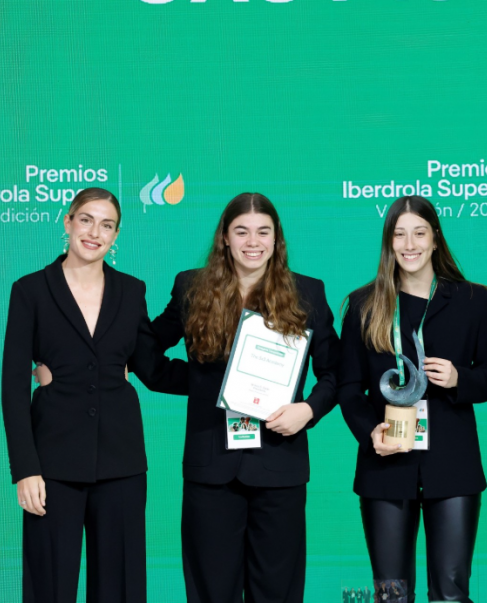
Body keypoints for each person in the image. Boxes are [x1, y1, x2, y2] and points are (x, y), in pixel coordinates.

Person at [150, 192, 340, 603]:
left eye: (263, 232)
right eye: (242, 231)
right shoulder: (192, 287)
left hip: (280, 463)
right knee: (210, 591)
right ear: (224, 238)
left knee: (277, 591)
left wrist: (307, 410)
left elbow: (336, 372)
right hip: (211, 465)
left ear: (277, 240)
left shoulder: (307, 292)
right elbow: (147, 352)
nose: (253, 242)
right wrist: (206, 387)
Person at [1, 187, 188, 602]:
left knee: (120, 587)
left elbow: (153, 370)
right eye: (86, 219)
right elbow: (13, 384)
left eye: (107, 225)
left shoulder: (131, 290)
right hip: (51, 463)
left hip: (121, 462)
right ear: (67, 222)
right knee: (49, 584)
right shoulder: (30, 290)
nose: (94, 232)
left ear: (116, 235)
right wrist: (25, 469)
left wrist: (222, 382)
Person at [339, 196, 487, 603]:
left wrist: (457, 378)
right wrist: (369, 433)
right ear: (388, 243)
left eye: (419, 233)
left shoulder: (471, 300)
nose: (409, 244)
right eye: (399, 234)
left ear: (435, 240)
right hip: (386, 466)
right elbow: (347, 388)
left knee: (450, 593)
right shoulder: (363, 305)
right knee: (391, 594)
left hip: (453, 468)